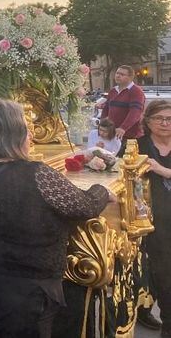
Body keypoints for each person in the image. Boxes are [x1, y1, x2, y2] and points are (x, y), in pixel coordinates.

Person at [0, 99, 112, 337]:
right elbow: (84, 206)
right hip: (21, 299)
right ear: (12, 134)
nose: (30, 132)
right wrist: (102, 191)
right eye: (25, 126)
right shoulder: (37, 175)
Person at [137, 101, 171, 336]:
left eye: (169, 119)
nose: (165, 123)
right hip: (153, 223)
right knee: (162, 273)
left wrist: (162, 170)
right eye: (159, 118)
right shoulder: (137, 146)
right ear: (147, 121)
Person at [101, 65, 145, 156]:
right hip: (113, 135)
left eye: (122, 74)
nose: (118, 76)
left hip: (131, 137)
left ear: (130, 77)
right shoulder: (113, 91)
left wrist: (123, 128)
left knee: (127, 163)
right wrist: (103, 124)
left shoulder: (136, 91)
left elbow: (135, 112)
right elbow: (106, 109)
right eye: (117, 73)